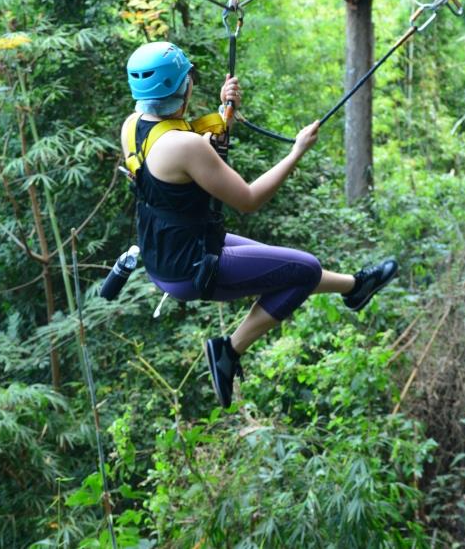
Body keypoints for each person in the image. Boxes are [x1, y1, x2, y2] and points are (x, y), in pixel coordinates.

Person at [121, 42, 398, 408]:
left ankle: (356, 287)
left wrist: (224, 114)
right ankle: (228, 350)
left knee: (286, 263)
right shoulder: (186, 147)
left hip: (172, 250)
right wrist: (296, 151)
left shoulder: (134, 126)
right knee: (304, 270)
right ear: (183, 87)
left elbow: (181, 152)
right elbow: (248, 199)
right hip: (192, 265)